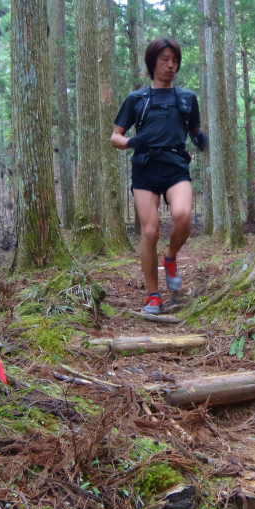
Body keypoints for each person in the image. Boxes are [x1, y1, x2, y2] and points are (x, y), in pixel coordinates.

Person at [110, 38, 208, 314]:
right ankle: (153, 296)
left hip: (176, 165)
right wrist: (132, 143)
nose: (171, 65)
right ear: (152, 62)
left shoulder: (187, 98)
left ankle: (171, 257)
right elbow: (114, 137)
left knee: (183, 216)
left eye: (174, 60)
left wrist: (201, 139)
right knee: (150, 231)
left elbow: (194, 130)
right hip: (145, 166)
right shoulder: (136, 99)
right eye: (165, 59)